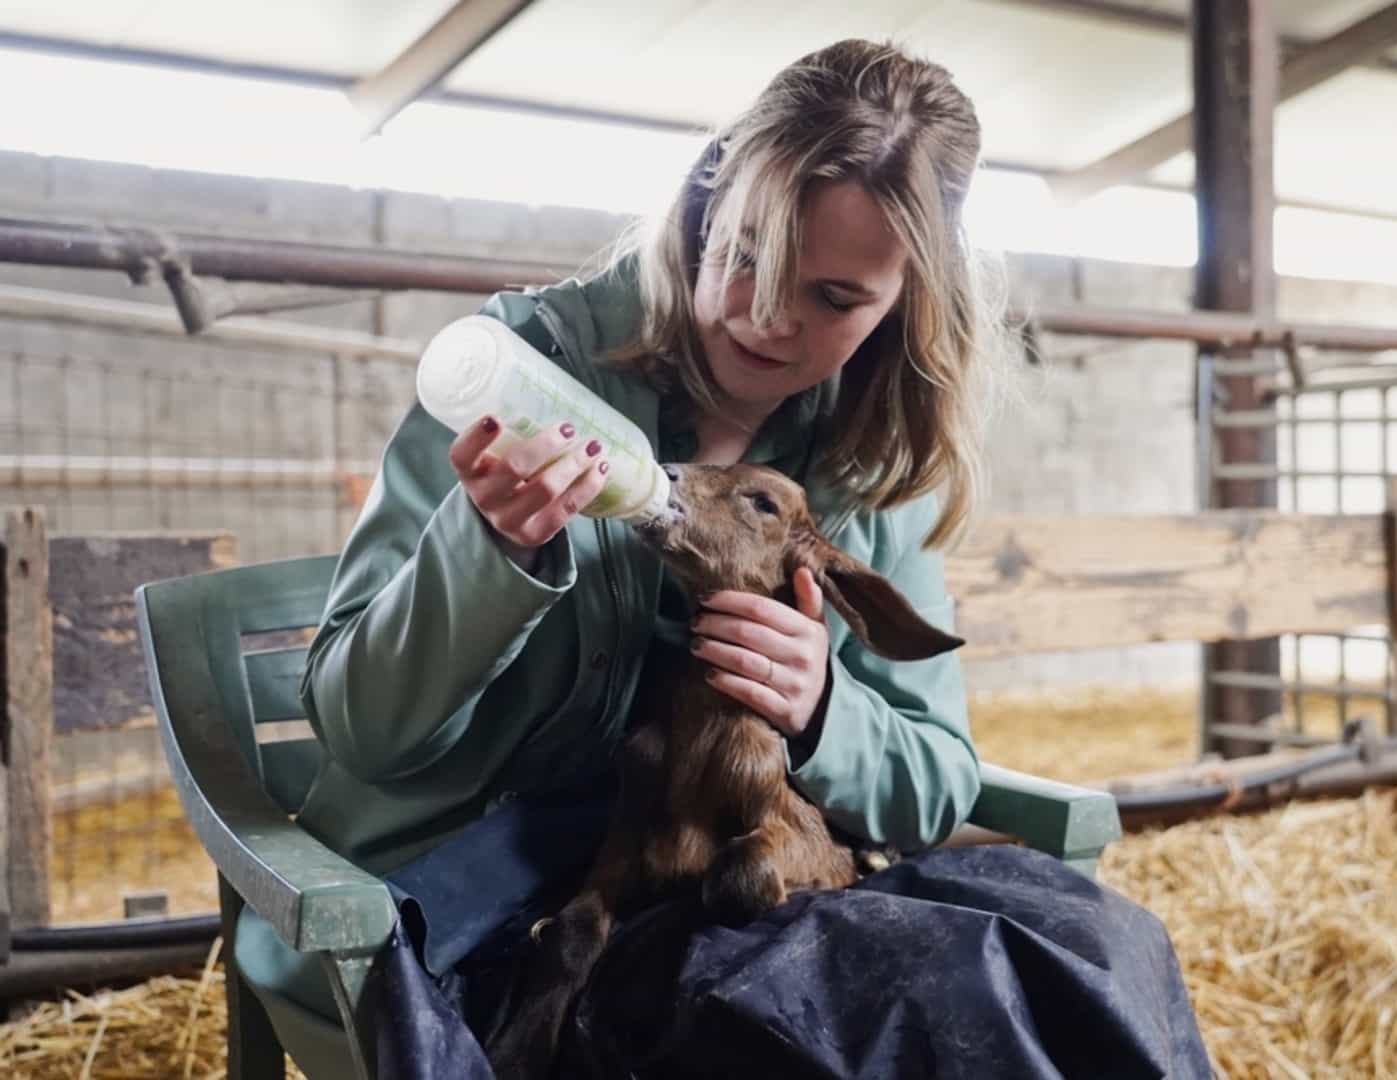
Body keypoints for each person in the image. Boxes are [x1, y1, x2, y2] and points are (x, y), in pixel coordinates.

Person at [232, 38, 1210, 1080]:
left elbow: (934, 777)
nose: (764, 316)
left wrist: (824, 708)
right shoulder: (521, 376)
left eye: (832, 299)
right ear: (706, 200)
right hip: (494, 897)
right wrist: (488, 553)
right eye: (745, 250)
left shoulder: (867, 457)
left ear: (904, 302)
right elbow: (362, 727)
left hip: (733, 881)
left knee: (1094, 953)